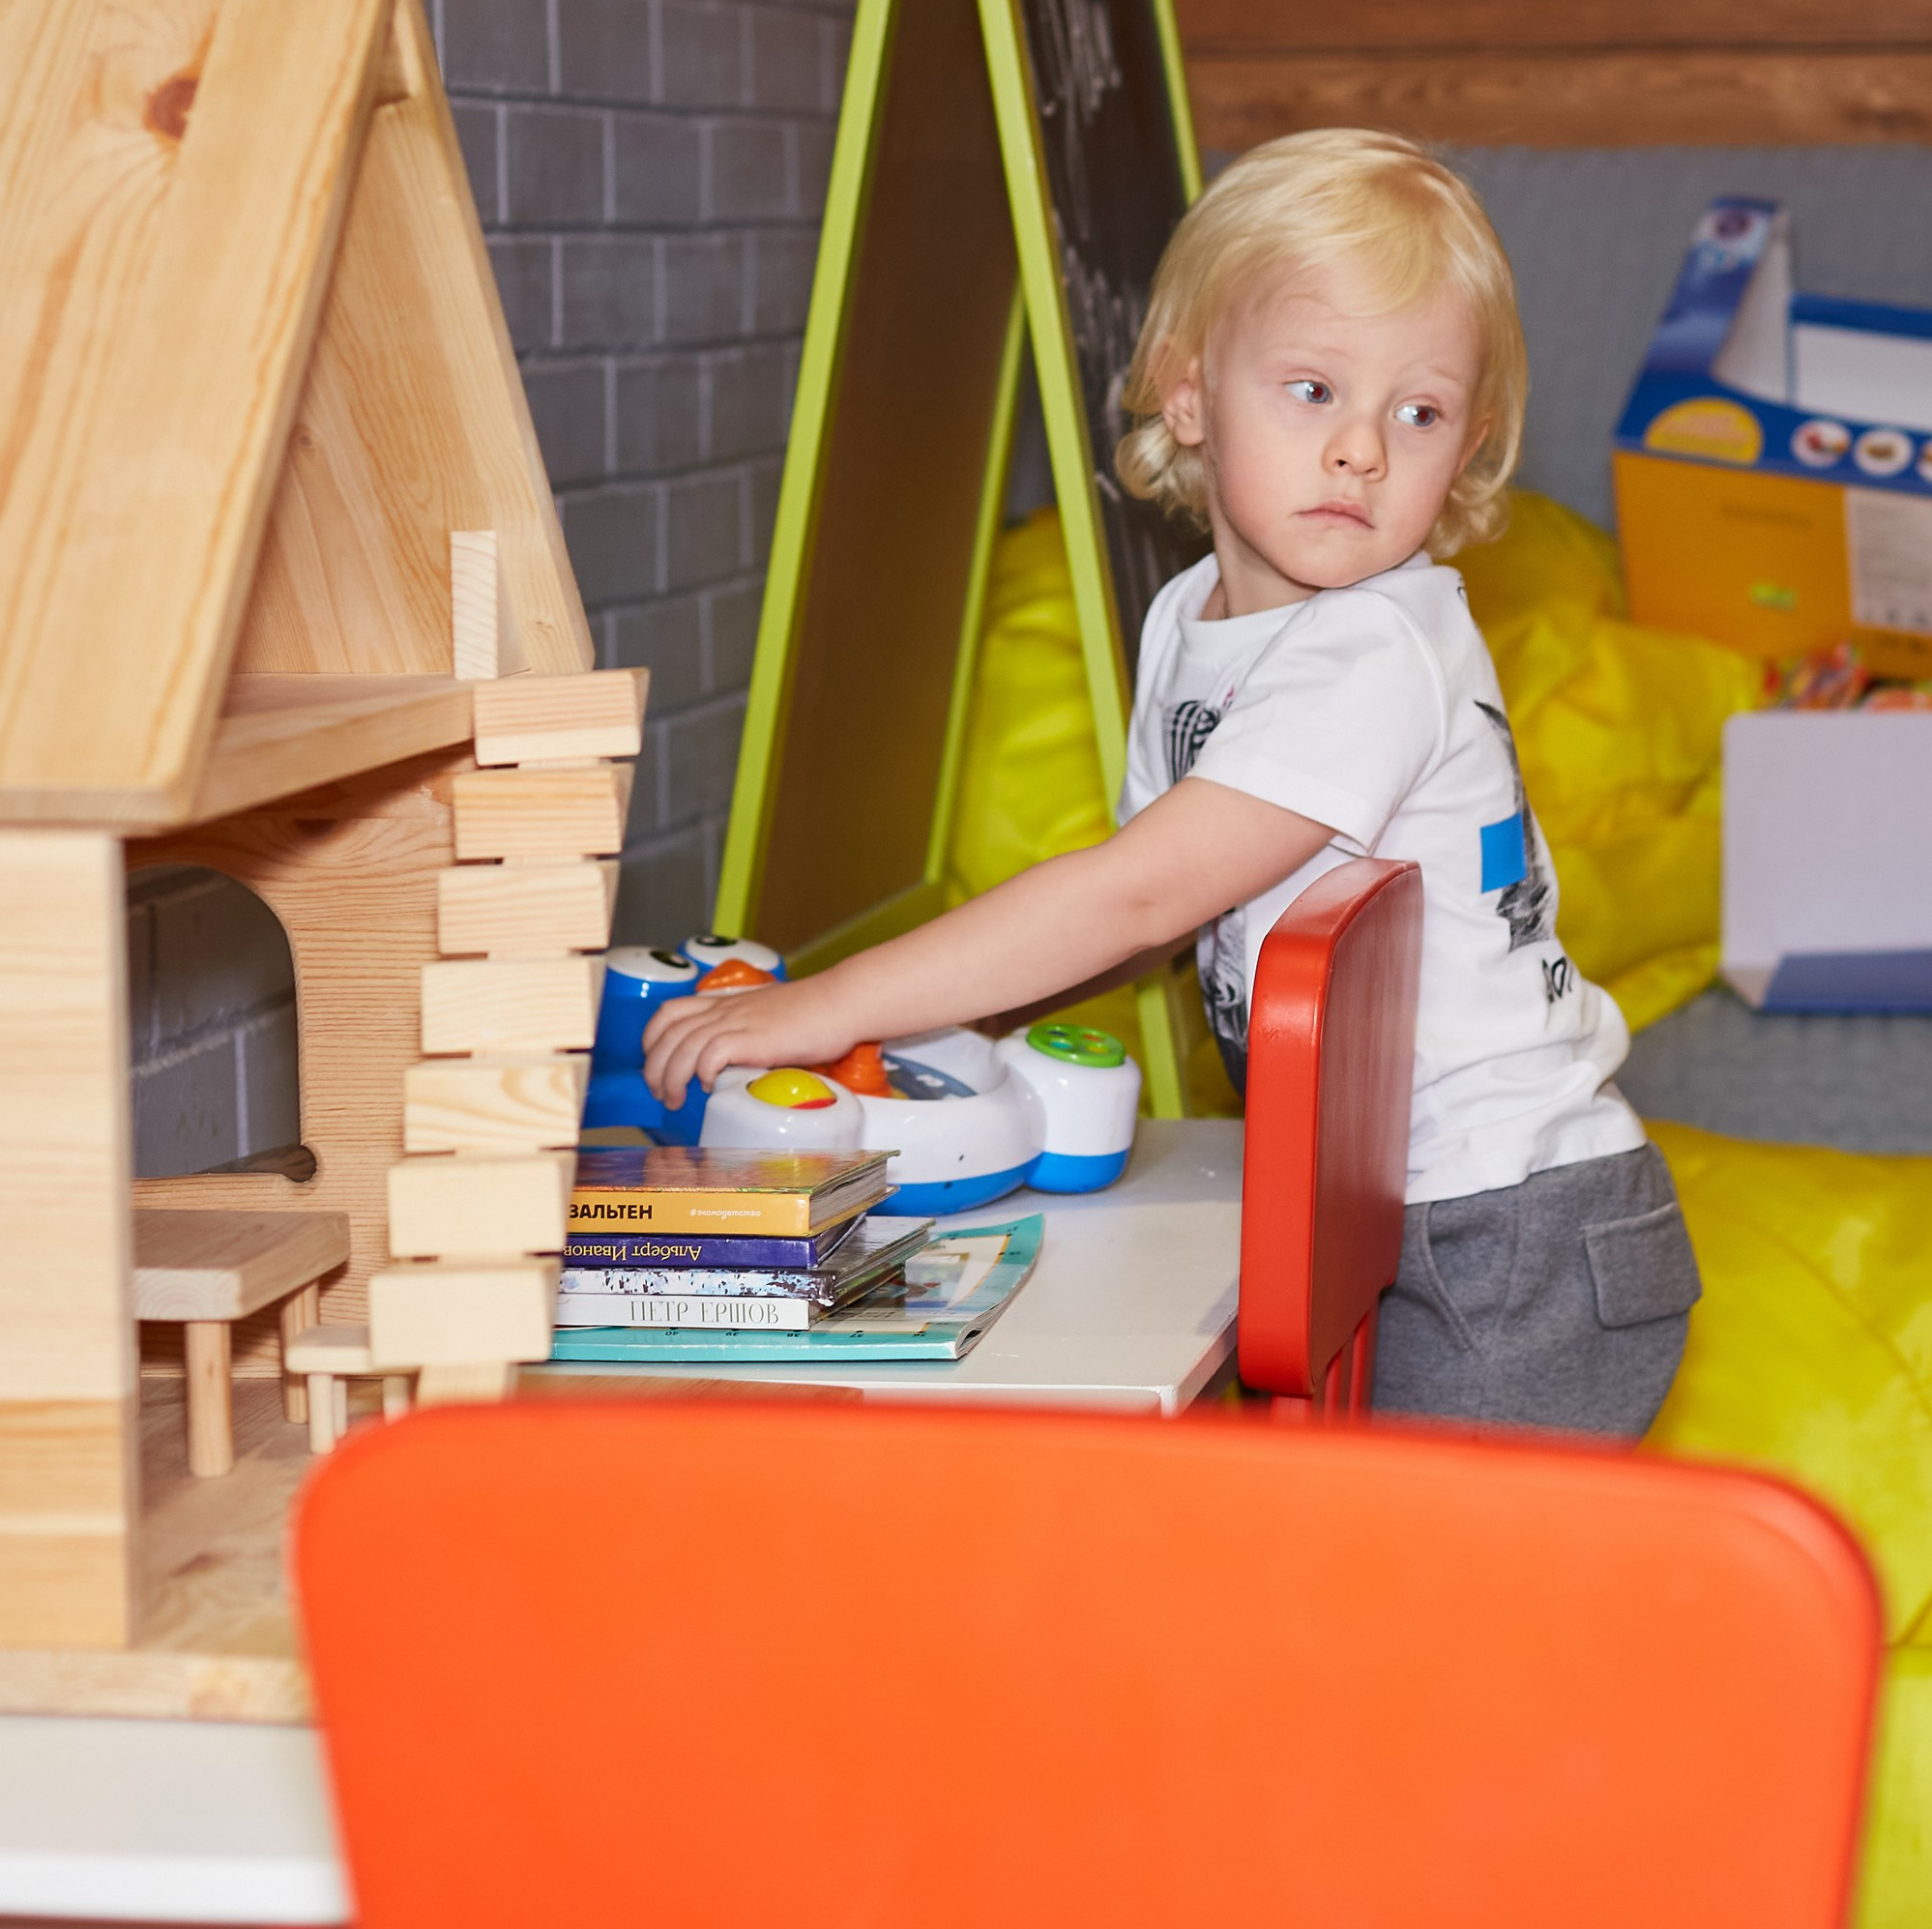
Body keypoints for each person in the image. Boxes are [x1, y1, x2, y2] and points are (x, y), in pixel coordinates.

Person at [644, 129, 1701, 1435]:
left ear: (1469, 448)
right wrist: (917, 1048)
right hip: (1396, 1201)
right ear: (1188, 392)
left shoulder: (1378, 645)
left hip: (1511, 1238)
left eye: (1417, 413)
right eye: (1313, 390)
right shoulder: (1190, 622)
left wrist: (829, 1005)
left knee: (1436, 1620)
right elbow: (1168, 912)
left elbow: (1135, 899)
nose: (1363, 449)